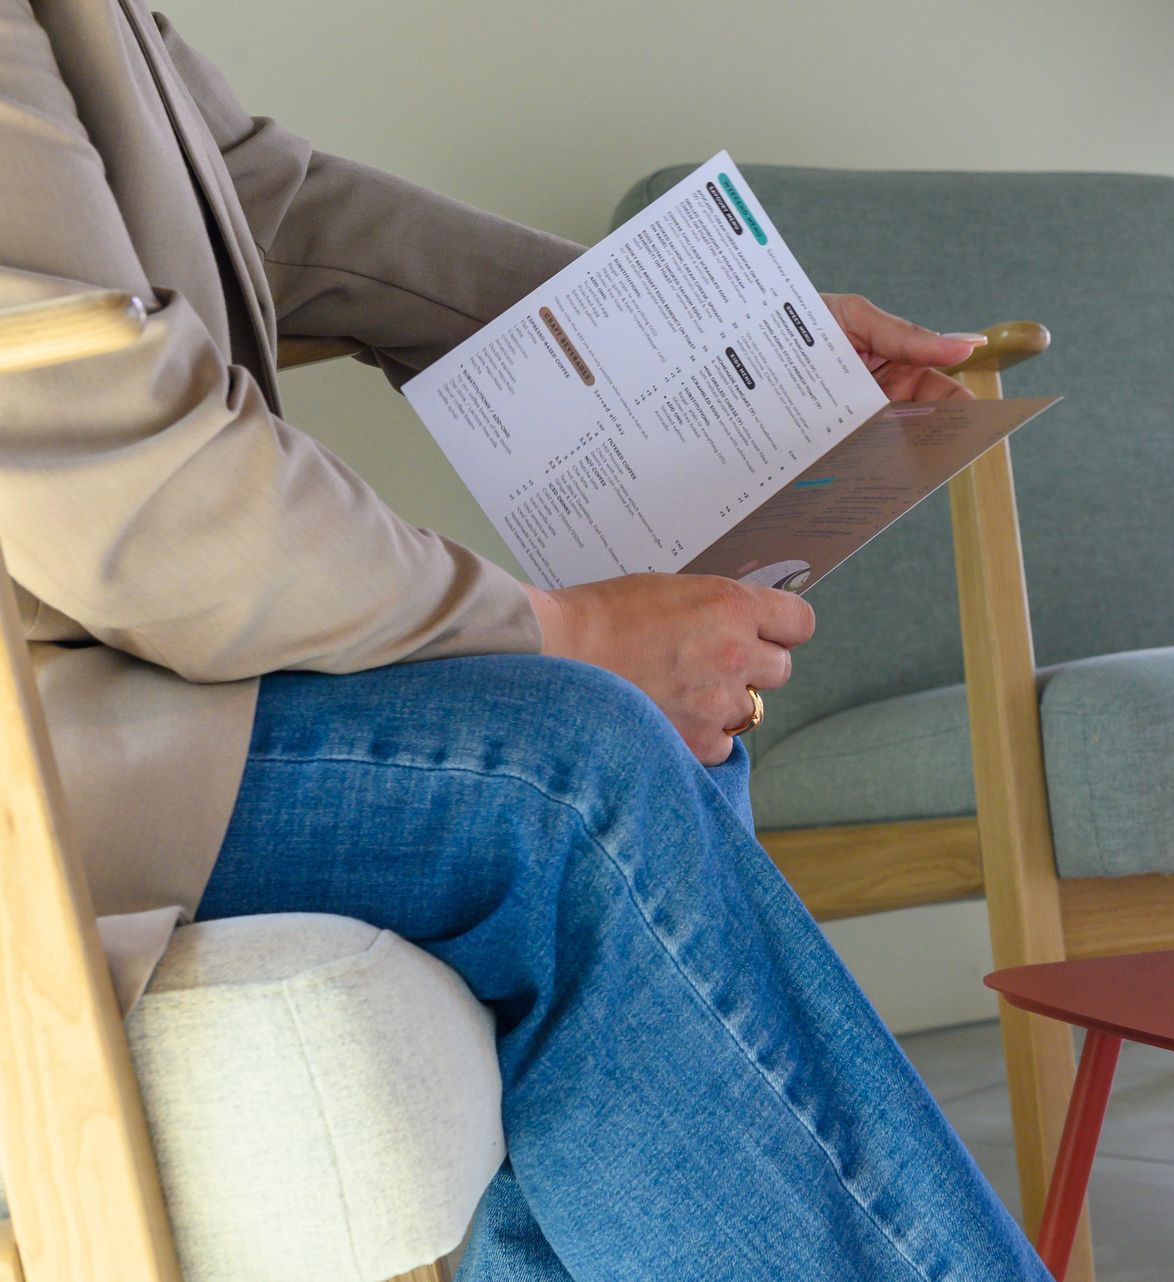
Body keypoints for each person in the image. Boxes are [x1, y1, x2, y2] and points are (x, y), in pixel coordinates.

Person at [0, 1, 1050, 1277]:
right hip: (45, 743)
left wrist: (725, 343)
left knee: (648, 733)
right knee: (571, 770)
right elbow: (125, 482)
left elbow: (283, 209)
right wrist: (566, 629)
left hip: (109, 698)